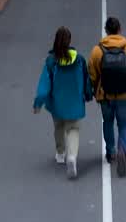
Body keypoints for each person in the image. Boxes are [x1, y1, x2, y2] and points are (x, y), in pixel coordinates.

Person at [33, 26, 93, 180]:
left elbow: (44, 86)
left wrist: (38, 103)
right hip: (74, 102)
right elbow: (87, 80)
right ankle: (72, 156)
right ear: (69, 41)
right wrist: (88, 95)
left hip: (57, 103)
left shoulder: (51, 61)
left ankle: (60, 152)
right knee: (73, 129)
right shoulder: (79, 60)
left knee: (58, 126)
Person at [89, 16, 126, 177]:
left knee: (107, 122)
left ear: (106, 31)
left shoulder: (98, 50)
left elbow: (92, 74)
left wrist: (94, 88)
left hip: (104, 95)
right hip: (123, 95)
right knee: (124, 124)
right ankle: (122, 150)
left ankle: (110, 151)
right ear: (120, 29)